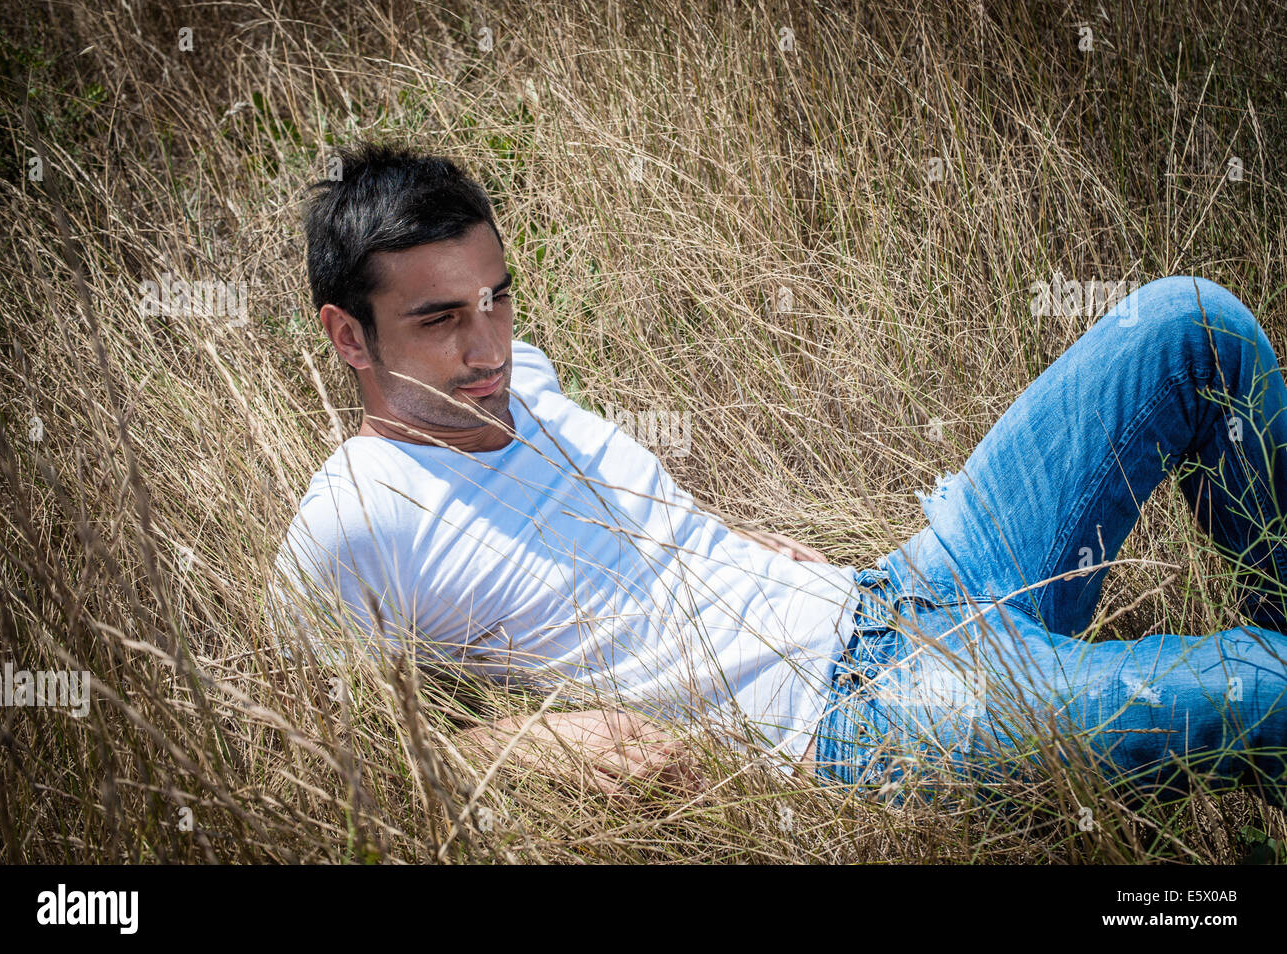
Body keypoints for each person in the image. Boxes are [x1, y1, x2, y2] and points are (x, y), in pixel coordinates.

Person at [273, 142, 1287, 807]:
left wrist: (723, 544)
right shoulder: (353, 519)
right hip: (860, 726)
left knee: (1187, 325)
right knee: (1269, 691)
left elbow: (603, 526)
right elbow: (305, 771)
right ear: (347, 335)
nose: (488, 344)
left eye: (496, 298)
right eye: (440, 319)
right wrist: (513, 747)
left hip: (907, 587)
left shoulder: (516, 377)